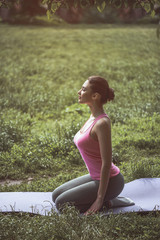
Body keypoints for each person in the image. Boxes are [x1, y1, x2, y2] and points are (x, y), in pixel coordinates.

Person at [52, 76, 124, 215]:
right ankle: (104, 200)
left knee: (62, 204)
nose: (79, 92)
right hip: (95, 176)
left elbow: (106, 162)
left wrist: (99, 198)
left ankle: (107, 202)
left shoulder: (102, 123)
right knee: (56, 195)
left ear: (95, 96)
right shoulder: (92, 117)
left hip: (111, 181)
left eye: (83, 89)